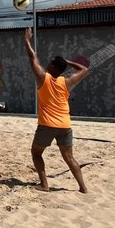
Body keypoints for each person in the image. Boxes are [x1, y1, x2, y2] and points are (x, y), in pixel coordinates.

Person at [24, 27, 89, 193]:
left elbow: (33, 58)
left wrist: (27, 41)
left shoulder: (43, 78)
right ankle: (83, 187)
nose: (48, 63)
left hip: (47, 125)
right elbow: (84, 69)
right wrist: (68, 62)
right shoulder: (66, 82)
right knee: (69, 157)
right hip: (65, 125)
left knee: (36, 153)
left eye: (51, 62)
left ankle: (45, 185)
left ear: (53, 66)